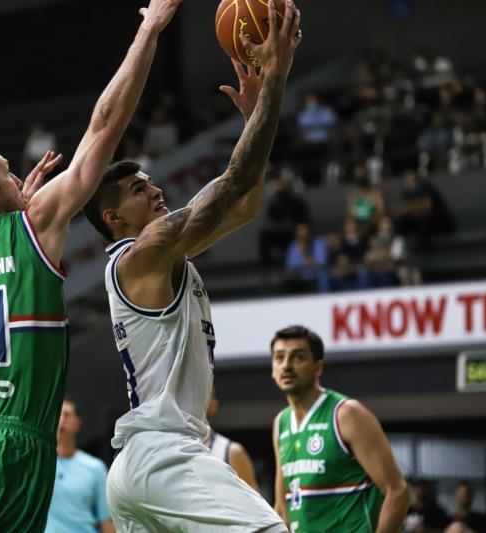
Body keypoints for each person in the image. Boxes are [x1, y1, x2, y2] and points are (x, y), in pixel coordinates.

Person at [0, 2, 183, 531]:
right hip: (8, 447)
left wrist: (10, 207)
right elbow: (105, 127)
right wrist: (149, 29)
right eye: (9, 174)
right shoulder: (31, 223)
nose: (21, 181)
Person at [83, 2, 301, 529]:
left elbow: (244, 203)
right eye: (139, 190)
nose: (154, 190)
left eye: (151, 182)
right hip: (164, 457)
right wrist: (273, 78)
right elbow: (232, 181)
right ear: (113, 217)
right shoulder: (145, 252)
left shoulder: (162, 255)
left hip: (145, 462)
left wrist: (256, 120)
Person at [270, 325, 409, 532]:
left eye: (298, 357)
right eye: (279, 358)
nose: (287, 366)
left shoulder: (346, 414)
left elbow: (398, 491)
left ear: (318, 367)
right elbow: (282, 508)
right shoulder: (280, 423)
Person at [46, 400, 114, 533]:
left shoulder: (95, 468)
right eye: (57, 415)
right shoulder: (39, 465)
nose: (61, 420)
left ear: (77, 424)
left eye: (67, 415)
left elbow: (106, 521)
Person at [204, 388, 260, 492]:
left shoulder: (232, 451)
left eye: (199, 396)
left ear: (214, 405)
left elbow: (254, 506)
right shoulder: (170, 447)